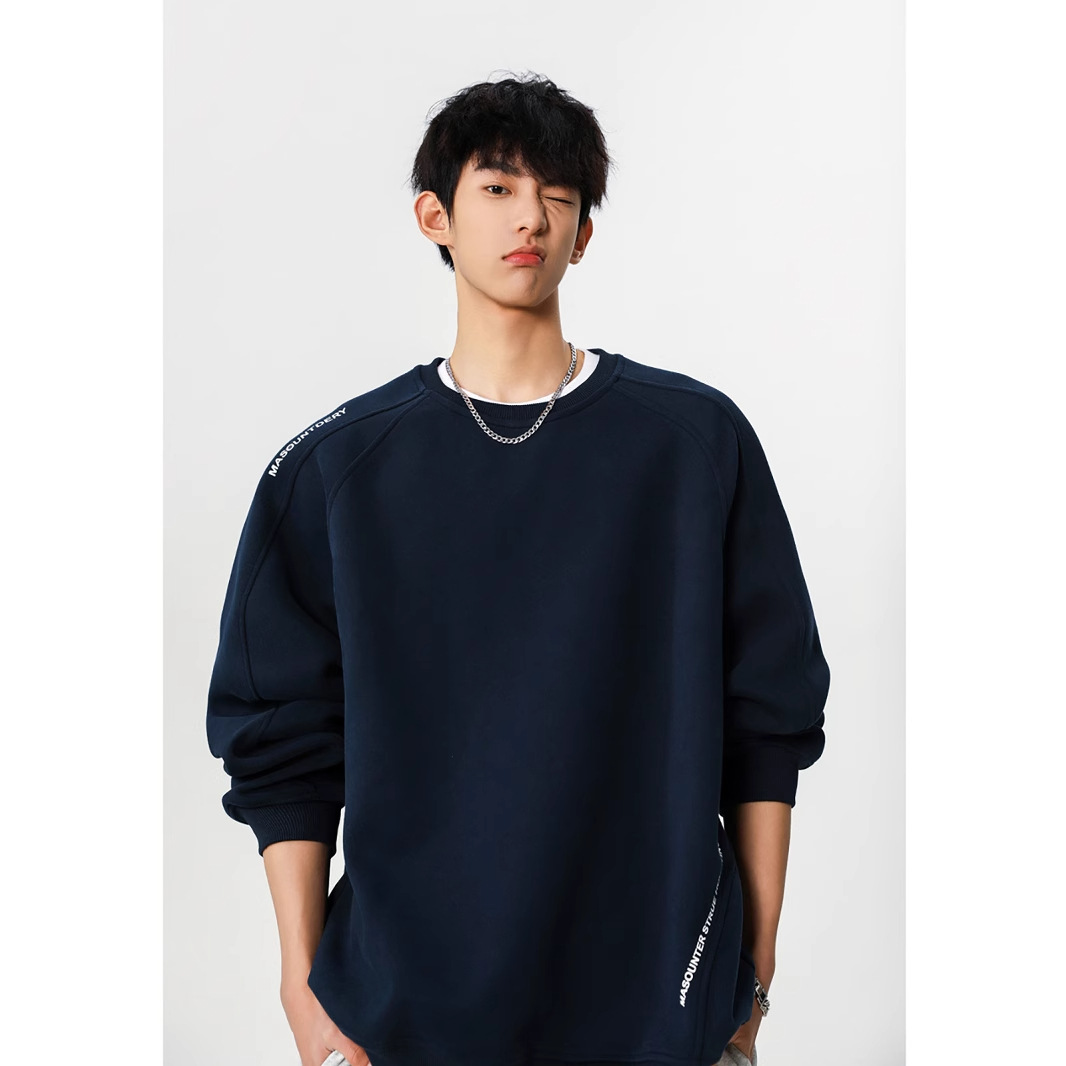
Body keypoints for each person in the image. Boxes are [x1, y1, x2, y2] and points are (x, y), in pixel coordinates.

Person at [206, 72, 830, 1066]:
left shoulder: (693, 445)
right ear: (435, 217)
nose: (529, 217)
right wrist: (302, 986)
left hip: (660, 1012)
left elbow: (769, 720)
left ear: (583, 234)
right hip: (405, 1018)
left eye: (558, 194)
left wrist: (749, 980)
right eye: (497, 187)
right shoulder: (335, 469)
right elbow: (281, 742)